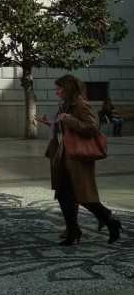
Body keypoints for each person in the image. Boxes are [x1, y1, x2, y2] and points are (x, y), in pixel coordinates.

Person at [35, 74, 122, 246]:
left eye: (58, 89)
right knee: (64, 195)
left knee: (82, 195)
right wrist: (49, 124)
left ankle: (111, 221)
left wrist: (71, 120)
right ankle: (73, 229)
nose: (56, 92)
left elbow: (92, 127)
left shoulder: (81, 105)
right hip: (66, 156)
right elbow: (66, 127)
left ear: (67, 88)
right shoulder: (65, 105)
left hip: (78, 158)